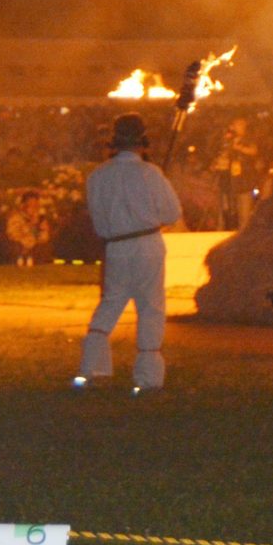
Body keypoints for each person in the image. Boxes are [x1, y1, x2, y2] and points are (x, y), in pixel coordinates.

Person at [75, 112, 182, 393]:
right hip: (147, 245)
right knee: (151, 307)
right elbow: (172, 213)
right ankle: (148, 377)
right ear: (142, 143)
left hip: (116, 247)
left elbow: (97, 220)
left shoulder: (97, 177)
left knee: (109, 304)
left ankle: (90, 369)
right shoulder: (150, 174)